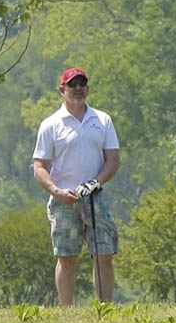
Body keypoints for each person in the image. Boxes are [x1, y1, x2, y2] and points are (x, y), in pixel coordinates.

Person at [32, 68, 121, 305]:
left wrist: (96, 182)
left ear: (87, 89)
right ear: (62, 90)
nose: (78, 88)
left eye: (82, 84)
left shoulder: (102, 120)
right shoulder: (51, 124)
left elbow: (113, 159)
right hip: (64, 199)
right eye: (72, 85)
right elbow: (39, 167)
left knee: (103, 253)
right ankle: (67, 310)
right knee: (66, 256)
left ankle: (105, 307)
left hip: (94, 196)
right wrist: (56, 191)